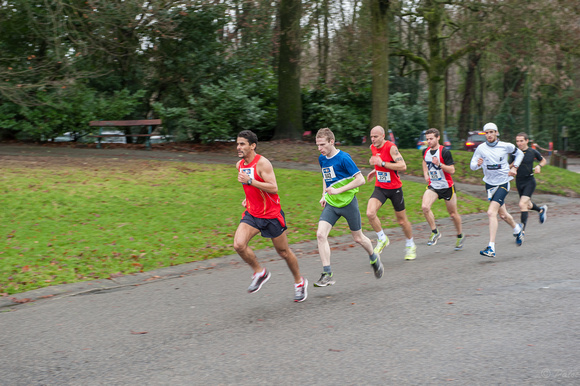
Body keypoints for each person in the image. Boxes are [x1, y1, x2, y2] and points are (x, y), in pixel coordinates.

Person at [233, 130, 308, 302]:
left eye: (242, 144)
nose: (239, 147)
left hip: (271, 215)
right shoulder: (240, 165)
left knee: (283, 252)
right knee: (238, 245)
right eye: (237, 143)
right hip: (253, 214)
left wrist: (250, 181)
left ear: (253, 146)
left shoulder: (263, 163)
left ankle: (299, 282)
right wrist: (248, 198)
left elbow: (273, 188)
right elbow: (251, 188)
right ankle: (259, 272)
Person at [314, 128, 383, 287]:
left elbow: (360, 180)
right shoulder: (322, 158)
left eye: (322, 145)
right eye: (318, 145)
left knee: (358, 238)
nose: (320, 149)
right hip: (332, 204)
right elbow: (325, 176)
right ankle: (327, 273)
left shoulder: (344, 158)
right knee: (320, 234)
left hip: (348, 203)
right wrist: (324, 195)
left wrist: (338, 190)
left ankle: (373, 257)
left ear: (332, 142)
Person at [469, 122, 525, 258]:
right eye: (486, 133)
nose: (489, 135)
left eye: (491, 132)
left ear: (496, 132)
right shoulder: (481, 148)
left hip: (503, 183)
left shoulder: (505, 146)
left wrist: (514, 167)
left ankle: (491, 247)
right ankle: (518, 230)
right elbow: (472, 165)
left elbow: (520, 154)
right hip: (489, 185)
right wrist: (477, 165)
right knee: (503, 215)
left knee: (490, 212)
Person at [366, 126, 417, 260]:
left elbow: (402, 166)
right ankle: (382, 238)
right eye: (371, 136)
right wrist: (376, 170)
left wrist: (382, 163)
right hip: (380, 188)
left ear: (383, 136)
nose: (373, 139)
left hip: (395, 189)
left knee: (401, 221)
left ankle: (410, 244)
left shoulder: (391, 147)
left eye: (375, 136)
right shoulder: (372, 147)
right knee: (370, 213)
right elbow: (380, 164)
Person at [420, 128, 464, 250]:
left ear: (438, 138)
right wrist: (425, 173)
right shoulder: (425, 151)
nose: (429, 141)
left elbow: (452, 170)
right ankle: (435, 232)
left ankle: (460, 235)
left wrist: (439, 164)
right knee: (425, 207)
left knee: (453, 214)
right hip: (433, 186)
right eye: (427, 139)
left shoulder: (444, 152)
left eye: (431, 139)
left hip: (447, 186)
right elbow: (424, 161)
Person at [514, 132, 548, 233]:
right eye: (517, 141)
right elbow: (509, 165)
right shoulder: (514, 153)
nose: (519, 143)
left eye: (521, 141)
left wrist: (539, 166)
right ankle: (541, 210)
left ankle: (522, 231)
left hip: (529, 181)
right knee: (527, 205)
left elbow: (543, 160)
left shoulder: (532, 152)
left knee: (522, 204)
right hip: (519, 181)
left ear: (526, 141)